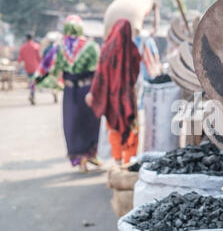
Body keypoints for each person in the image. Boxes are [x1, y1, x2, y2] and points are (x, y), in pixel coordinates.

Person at [35, 15, 101, 172]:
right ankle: (91, 155)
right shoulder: (91, 46)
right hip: (87, 90)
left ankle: (81, 160)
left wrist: (38, 80)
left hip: (70, 91)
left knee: (73, 124)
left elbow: (45, 67)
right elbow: (99, 70)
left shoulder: (59, 48)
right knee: (90, 122)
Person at [85, 19, 141, 166]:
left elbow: (99, 75)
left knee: (114, 128)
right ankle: (129, 163)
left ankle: (117, 161)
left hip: (111, 98)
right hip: (127, 97)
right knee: (132, 129)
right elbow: (135, 73)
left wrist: (94, 93)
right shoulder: (132, 49)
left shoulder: (106, 50)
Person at [17, 33, 41, 105]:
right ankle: (32, 94)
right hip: (35, 67)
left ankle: (32, 94)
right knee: (33, 82)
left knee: (31, 81)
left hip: (27, 67)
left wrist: (18, 66)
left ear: (26, 38)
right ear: (32, 38)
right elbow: (39, 57)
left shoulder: (23, 47)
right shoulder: (36, 46)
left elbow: (20, 58)